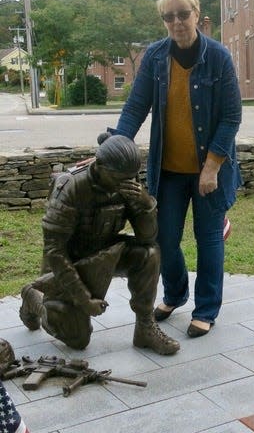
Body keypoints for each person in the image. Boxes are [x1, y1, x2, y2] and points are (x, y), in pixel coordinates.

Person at [105, 0, 242, 338]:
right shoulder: (154, 57)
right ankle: (175, 293)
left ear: (197, 14)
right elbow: (136, 107)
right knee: (164, 238)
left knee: (208, 237)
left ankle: (206, 310)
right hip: (167, 170)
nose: (177, 22)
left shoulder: (218, 57)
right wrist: (117, 144)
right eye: (169, 17)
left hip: (209, 170)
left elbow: (231, 117)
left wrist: (212, 167)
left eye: (183, 14)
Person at [19, 135, 180, 356]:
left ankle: (145, 327)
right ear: (100, 165)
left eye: (131, 178)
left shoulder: (128, 183)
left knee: (149, 253)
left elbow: (146, 239)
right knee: (78, 339)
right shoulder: (70, 187)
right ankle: (33, 299)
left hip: (105, 254)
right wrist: (84, 300)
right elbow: (55, 252)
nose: (124, 184)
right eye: (118, 178)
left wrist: (146, 205)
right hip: (69, 263)